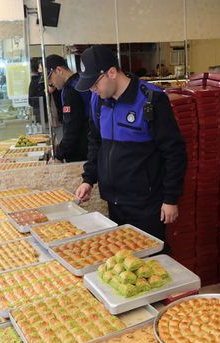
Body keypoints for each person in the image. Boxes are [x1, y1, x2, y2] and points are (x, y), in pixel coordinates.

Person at [74, 45, 187, 249]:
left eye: (95, 84)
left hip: (146, 204)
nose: (92, 90)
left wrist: (171, 198)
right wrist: (88, 179)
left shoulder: (151, 99)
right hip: (114, 202)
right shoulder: (98, 102)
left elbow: (174, 152)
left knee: (151, 264)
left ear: (112, 72)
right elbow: (96, 142)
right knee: (122, 263)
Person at [45, 54, 91, 162]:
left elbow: (72, 128)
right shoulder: (80, 81)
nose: (50, 83)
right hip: (88, 146)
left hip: (81, 152)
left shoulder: (71, 91)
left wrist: (59, 155)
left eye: (49, 78)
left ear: (59, 70)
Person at [28, 57, 47, 125]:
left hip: (43, 117)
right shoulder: (37, 81)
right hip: (42, 117)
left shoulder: (38, 81)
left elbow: (31, 101)